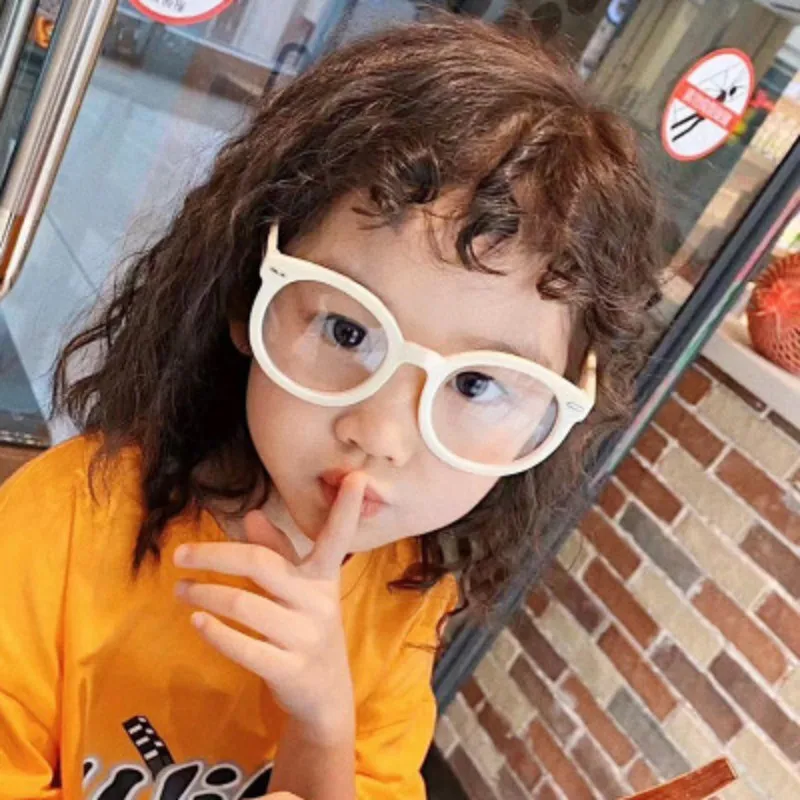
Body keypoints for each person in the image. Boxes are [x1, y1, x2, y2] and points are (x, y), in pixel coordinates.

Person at [0, 12, 662, 800]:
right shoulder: (62, 525)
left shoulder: (407, 590)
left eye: (475, 384)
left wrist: (321, 719)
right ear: (249, 293)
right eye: (349, 330)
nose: (379, 433)